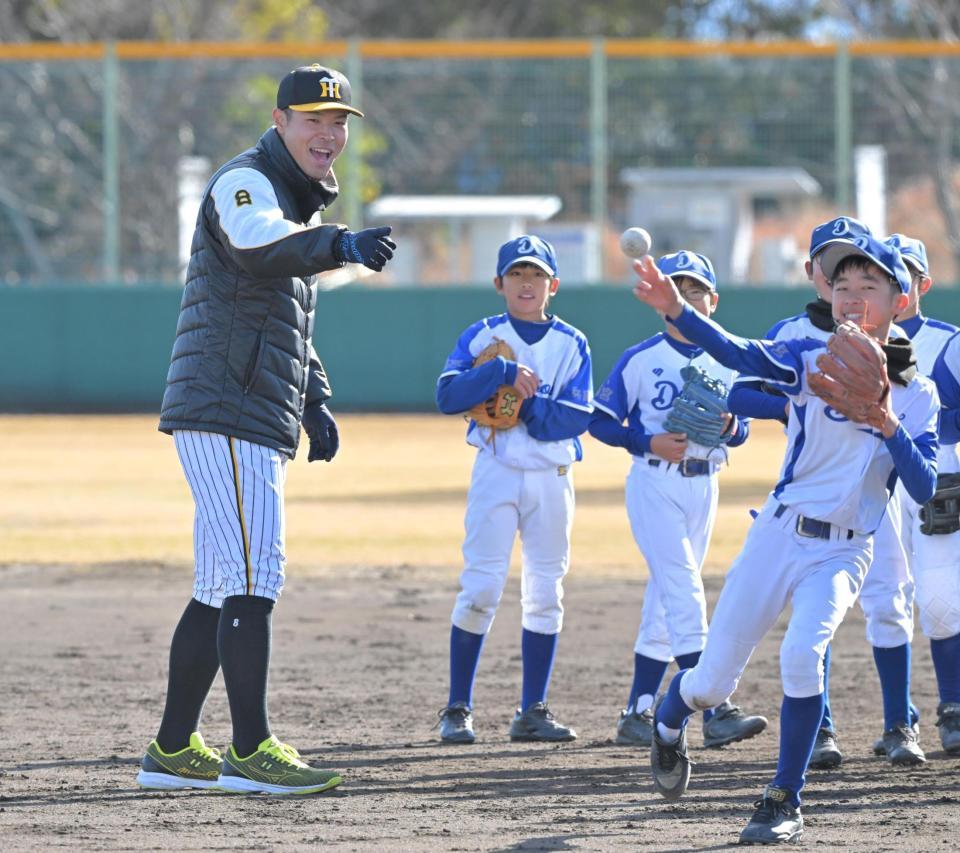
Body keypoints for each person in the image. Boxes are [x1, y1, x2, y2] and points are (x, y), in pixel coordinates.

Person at [136, 64, 396, 795]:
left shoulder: (293, 200)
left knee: (222, 581)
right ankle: (251, 752)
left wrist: (313, 395)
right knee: (255, 574)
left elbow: (280, 313)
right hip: (227, 407)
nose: (330, 133)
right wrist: (341, 243)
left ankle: (172, 747)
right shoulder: (244, 181)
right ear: (280, 120)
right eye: (314, 118)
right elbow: (255, 245)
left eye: (340, 120)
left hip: (246, 405)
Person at [634, 236, 938, 844]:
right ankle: (671, 717)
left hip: (845, 549)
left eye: (868, 287)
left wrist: (885, 421)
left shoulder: (917, 393)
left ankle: (782, 799)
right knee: (712, 683)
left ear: (899, 299)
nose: (852, 298)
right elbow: (738, 350)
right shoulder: (808, 356)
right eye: (841, 286)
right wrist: (678, 312)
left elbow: (925, 486)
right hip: (777, 534)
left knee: (803, 654)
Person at [728, 217, 923, 769]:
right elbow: (743, 391)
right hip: (813, 487)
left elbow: (911, 404)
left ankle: (899, 724)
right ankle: (823, 730)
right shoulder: (793, 331)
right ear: (815, 273)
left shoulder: (891, 334)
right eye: (823, 262)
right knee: (818, 617)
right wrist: (801, 397)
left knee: (890, 600)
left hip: (874, 492)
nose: (834, 276)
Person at [587, 251, 766, 749]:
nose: (687, 299)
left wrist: (733, 427)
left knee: (665, 599)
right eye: (678, 290)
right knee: (684, 586)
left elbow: (744, 429)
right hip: (654, 481)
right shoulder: (641, 358)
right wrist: (646, 442)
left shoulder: (729, 357)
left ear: (713, 299)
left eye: (696, 291)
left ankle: (638, 710)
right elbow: (599, 420)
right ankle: (713, 708)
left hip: (705, 483)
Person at [434, 235, 594, 744]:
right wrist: (502, 372)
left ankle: (533, 709)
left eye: (537, 275)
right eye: (517, 275)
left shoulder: (573, 343)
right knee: (481, 586)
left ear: (554, 285)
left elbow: (574, 418)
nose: (527, 284)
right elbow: (446, 395)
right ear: (499, 283)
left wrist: (521, 406)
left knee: (546, 591)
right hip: (496, 469)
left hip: (552, 475)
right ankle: (458, 708)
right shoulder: (483, 336)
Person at [895, 238, 960, 756]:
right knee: (882, 604)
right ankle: (897, 722)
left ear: (923, 285)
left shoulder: (948, 341)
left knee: (939, 603)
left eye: (907, 274)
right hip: (872, 485)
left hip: (937, 478)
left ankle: (953, 707)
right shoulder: (847, 339)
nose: (898, 282)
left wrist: (928, 423)